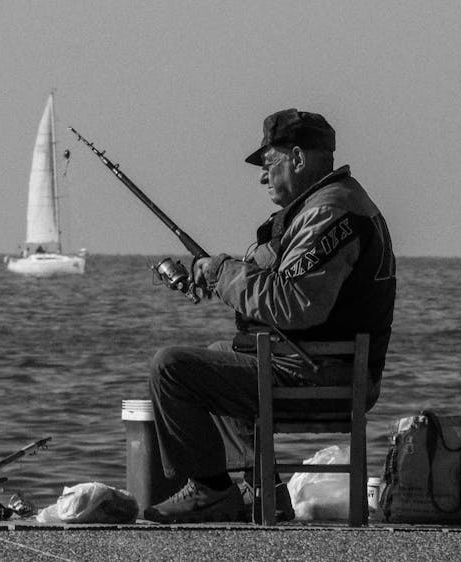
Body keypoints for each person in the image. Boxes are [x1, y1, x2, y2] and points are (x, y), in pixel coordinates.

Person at [144, 108, 396, 523]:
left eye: (269, 164)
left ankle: (210, 491)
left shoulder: (331, 213)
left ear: (298, 159)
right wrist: (213, 271)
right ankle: (263, 491)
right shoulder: (326, 206)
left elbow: (292, 301)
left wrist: (222, 271)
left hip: (321, 373)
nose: (263, 177)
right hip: (322, 365)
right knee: (220, 354)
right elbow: (271, 268)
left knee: (171, 368)